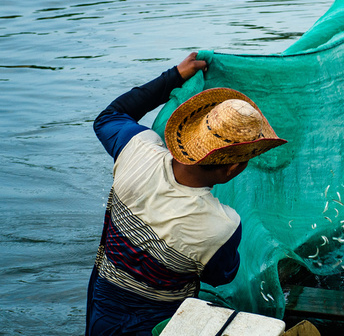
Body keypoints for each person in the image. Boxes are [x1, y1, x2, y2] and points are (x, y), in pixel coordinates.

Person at [86, 52, 286, 335]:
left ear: (189, 135)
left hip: (102, 302)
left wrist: (175, 76)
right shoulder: (222, 226)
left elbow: (109, 117)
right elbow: (220, 276)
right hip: (162, 322)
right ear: (232, 169)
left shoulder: (136, 148)